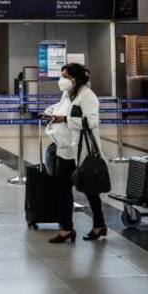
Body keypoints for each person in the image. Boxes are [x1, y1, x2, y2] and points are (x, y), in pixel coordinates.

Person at [46, 63, 107, 244]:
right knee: (63, 190)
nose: (62, 80)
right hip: (65, 149)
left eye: (66, 76)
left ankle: (99, 225)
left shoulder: (88, 96)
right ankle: (66, 229)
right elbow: (59, 107)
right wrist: (49, 113)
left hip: (82, 152)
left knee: (89, 189)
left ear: (75, 79)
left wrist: (66, 119)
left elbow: (91, 121)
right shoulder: (67, 94)